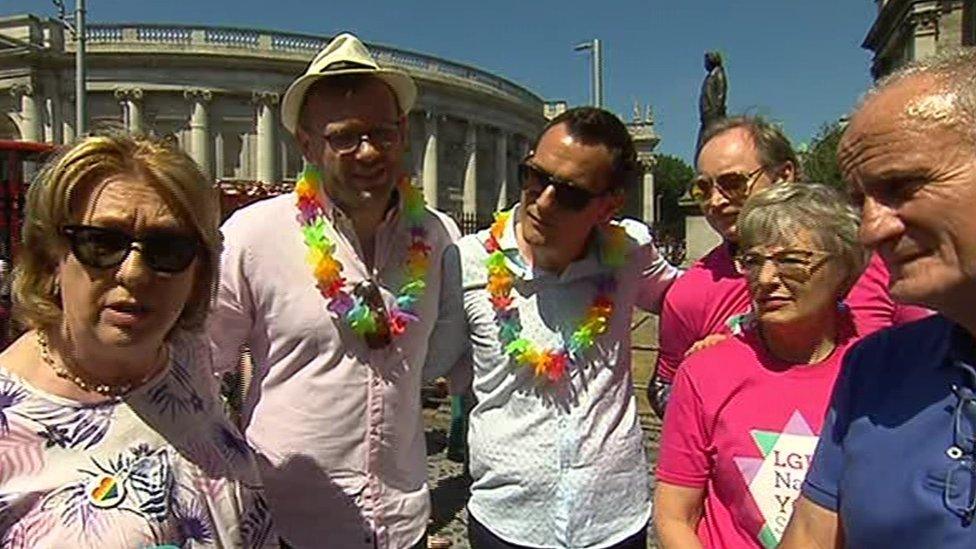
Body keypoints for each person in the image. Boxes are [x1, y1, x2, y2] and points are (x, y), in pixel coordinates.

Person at [208, 33, 461, 548]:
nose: (367, 151)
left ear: (403, 132)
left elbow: (446, 357)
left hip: (403, 522)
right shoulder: (252, 236)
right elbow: (201, 368)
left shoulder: (440, 237)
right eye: (344, 137)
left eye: (381, 133)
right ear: (306, 144)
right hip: (288, 524)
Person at [0, 134, 273, 546]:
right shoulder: (10, 426)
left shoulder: (186, 353)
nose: (134, 273)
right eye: (102, 242)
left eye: (168, 248)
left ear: (198, 271)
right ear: (51, 257)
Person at [426, 107, 681, 548]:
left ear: (609, 206)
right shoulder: (467, 260)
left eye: (571, 194)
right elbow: (428, 361)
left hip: (613, 522)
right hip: (507, 522)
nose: (542, 201)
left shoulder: (631, 252)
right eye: (535, 177)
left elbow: (692, 302)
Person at [781, 48, 976, 548]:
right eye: (859, 200)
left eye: (901, 186)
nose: (871, 230)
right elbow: (809, 535)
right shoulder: (875, 368)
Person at [647, 115, 929, 417]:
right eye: (702, 189)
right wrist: (709, 373)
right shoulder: (691, 290)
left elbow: (935, 366)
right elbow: (664, 388)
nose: (715, 201)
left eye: (732, 183)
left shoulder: (878, 260)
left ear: (784, 175)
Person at [654, 183, 866, 548]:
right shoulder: (705, 372)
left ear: (844, 266)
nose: (766, 280)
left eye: (791, 261)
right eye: (753, 261)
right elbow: (675, 516)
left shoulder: (877, 372)